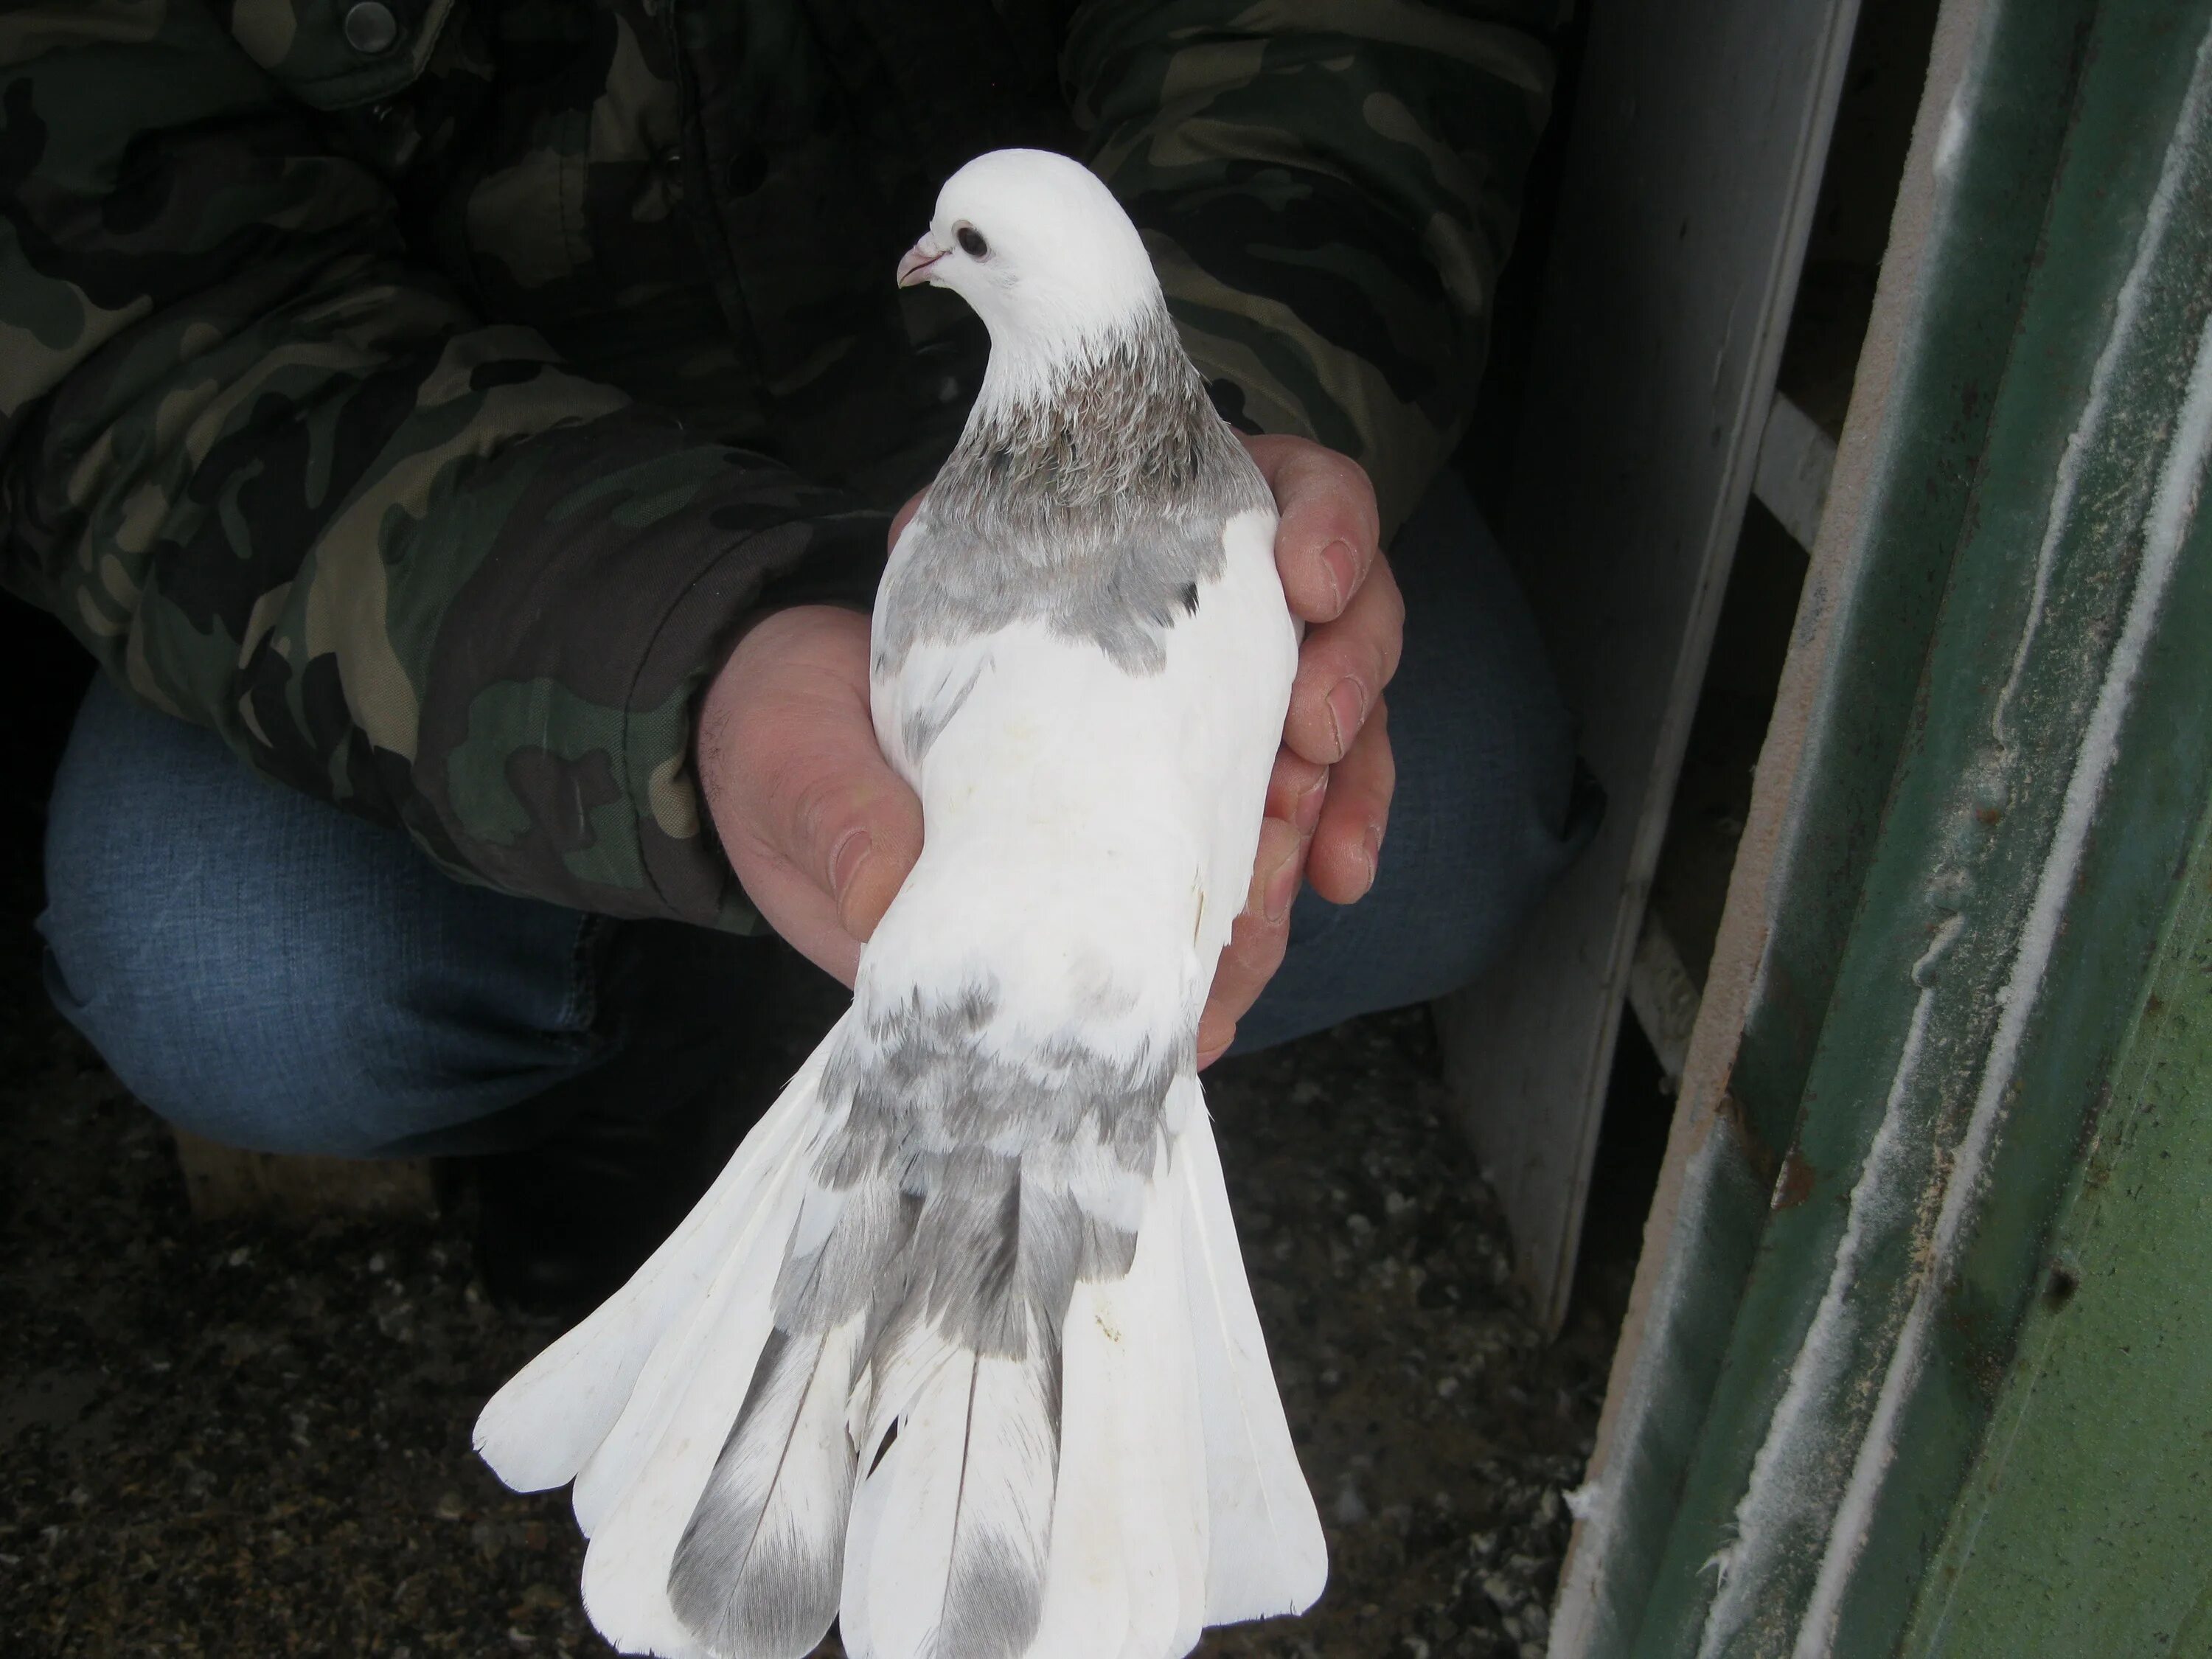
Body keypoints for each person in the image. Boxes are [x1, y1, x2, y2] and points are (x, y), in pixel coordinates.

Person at [3, 0, 1585, 1309]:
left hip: (1127, 374)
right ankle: (672, 1032)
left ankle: (1008, 1075)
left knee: (1431, 810)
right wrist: (681, 673)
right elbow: (151, 339)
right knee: (226, 953)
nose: (935, 252)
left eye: (964, 242)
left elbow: (1352, 44)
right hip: (483, 515)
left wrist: (1230, 430)